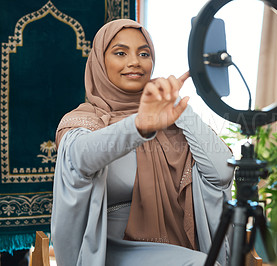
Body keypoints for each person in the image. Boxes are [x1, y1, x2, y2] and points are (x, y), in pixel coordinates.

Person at [51, 19, 234, 266]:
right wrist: (140, 125)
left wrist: (177, 106)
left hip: (177, 247)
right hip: (108, 252)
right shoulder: (84, 121)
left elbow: (221, 173)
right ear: (100, 62)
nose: (134, 61)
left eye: (144, 53)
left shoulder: (171, 121)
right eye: (120, 52)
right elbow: (79, 158)